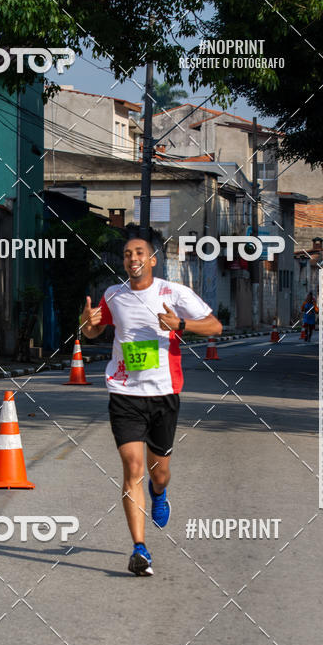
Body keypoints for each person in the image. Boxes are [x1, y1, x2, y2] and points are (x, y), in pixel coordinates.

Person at [80, 237, 222, 576]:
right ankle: (139, 550)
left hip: (164, 394)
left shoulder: (173, 293)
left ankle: (160, 492)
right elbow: (92, 332)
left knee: (158, 473)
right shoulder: (114, 295)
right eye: (127, 254)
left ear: (153, 260)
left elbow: (215, 325)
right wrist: (87, 322)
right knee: (132, 469)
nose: (133, 259)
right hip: (124, 393)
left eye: (139, 253)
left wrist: (181, 325)